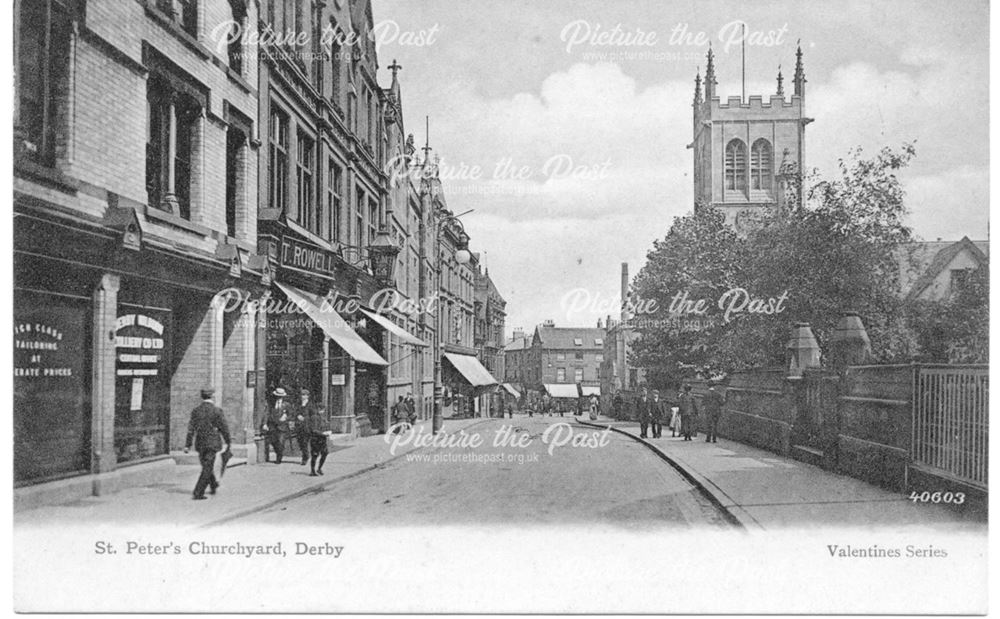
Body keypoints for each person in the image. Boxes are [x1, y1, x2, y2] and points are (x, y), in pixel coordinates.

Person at [184, 388, 231, 500]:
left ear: (202, 397)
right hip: (212, 443)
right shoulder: (217, 411)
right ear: (212, 397)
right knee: (207, 467)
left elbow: (191, 429)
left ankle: (213, 484)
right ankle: (198, 492)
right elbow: (224, 427)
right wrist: (228, 441)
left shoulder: (196, 411)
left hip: (200, 443)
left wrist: (187, 445)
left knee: (206, 465)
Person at [261, 387, 290, 464]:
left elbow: (291, 415)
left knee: (281, 442)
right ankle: (278, 453)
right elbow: (267, 413)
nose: (279, 397)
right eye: (277, 395)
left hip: (282, 426)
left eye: (280, 396)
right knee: (273, 441)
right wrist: (264, 423)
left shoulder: (286, 405)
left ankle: (279, 458)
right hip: (272, 425)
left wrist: (286, 417)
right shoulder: (271, 403)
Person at [305, 405, 331, 476]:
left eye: (323, 410)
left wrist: (327, 431)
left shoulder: (322, 418)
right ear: (318, 409)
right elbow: (314, 430)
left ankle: (319, 468)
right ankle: (312, 471)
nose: (322, 411)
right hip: (315, 439)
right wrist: (324, 434)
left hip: (322, 439)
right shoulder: (314, 418)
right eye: (321, 410)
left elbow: (325, 426)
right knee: (315, 455)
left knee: (325, 453)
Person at [294, 389, 316, 464]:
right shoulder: (298, 404)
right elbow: (295, 412)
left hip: (307, 426)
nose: (302, 397)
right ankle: (305, 455)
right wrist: (297, 416)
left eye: (304, 395)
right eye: (301, 395)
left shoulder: (311, 405)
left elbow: (313, 416)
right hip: (299, 426)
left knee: (304, 442)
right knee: (300, 442)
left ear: (307, 396)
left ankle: (305, 457)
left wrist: (305, 418)